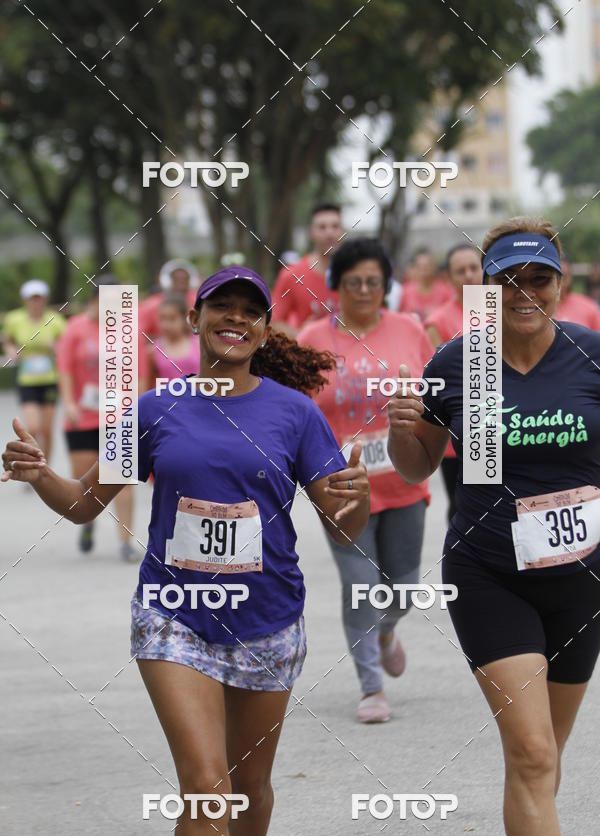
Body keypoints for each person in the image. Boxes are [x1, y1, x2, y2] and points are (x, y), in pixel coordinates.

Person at [2, 265, 369, 836]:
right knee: (206, 788)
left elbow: (343, 529)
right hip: (173, 616)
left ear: (264, 330)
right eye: (222, 306)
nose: (236, 318)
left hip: (268, 620)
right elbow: (83, 504)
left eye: (251, 311)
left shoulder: (296, 414)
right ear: (195, 318)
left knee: (249, 791)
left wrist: (357, 499)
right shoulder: (153, 410)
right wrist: (40, 474)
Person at [387, 216, 600, 836]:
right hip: (490, 576)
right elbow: (417, 466)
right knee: (532, 752)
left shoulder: (590, 354)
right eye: (508, 280)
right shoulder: (460, 363)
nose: (524, 292)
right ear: (484, 288)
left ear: (561, 283)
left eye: (540, 278)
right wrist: (401, 431)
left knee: (543, 759)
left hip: (582, 580)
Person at [298, 239, 433, 723]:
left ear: (385, 285)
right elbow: (299, 411)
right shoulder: (312, 337)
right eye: (353, 281)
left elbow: (432, 397)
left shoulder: (409, 329)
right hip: (340, 485)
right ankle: (371, 685)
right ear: (336, 285)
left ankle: (386, 631)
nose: (363, 290)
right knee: (360, 585)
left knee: (404, 588)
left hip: (403, 479)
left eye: (373, 281)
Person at [56, 278, 137, 561]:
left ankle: (126, 542)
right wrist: (68, 402)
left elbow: (139, 371)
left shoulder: (127, 330)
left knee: (122, 480)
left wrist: (137, 407)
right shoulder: (74, 328)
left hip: (119, 415)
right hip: (83, 417)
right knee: (85, 481)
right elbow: (64, 369)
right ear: (94, 300)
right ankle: (88, 522)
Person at [425, 243, 482, 521]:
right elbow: (438, 381)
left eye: (474, 268)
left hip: (503, 423)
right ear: (448, 277)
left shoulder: (503, 310)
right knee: (463, 507)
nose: (469, 275)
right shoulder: (437, 322)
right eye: (460, 271)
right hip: (457, 432)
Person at [2, 280, 66, 462]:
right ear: (25, 300)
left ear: (45, 299)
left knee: (46, 429)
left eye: (39, 298)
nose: (35, 302)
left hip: (49, 379)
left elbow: (66, 344)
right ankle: (34, 462)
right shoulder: (14, 319)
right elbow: (8, 340)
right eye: (32, 298)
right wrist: (11, 351)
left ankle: (46, 466)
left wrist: (56, 347)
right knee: (33, 427)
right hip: (27, 379)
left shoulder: (55, 320)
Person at [270, 203, 341, 337]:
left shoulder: (354, 276)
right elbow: (272, 322)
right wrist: (303, 334)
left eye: (335, 226)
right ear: (311, 232)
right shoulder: (292, 275)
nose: (329, 233)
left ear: (342, 231)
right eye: (322, 227)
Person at [141, 292, 200, 391]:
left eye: (172, 319)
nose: (166, 325)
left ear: (185, 318)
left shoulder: (200, 345)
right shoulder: (152, 351)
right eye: (162, 318)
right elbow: (148, 388)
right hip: (165, 400)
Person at [139, 259, 201, 341]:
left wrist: (195, 333)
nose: (181, 283)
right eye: (177, 279)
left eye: (184, 279)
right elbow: (140, 332)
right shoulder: (152, 304)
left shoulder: (198, 301)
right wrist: (158, 343)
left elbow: (200, 329)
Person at [400, 247, 454, 322]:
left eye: (427, 266)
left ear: (434, 267)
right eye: (420, 266)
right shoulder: (406, 290)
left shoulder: (445, 291)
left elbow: (451, 316)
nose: (424, 270)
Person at [555, 256, 600, 330]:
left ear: (570, 277)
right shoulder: (540, 309)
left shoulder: (589, 307)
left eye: (565, 277)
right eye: (557, 278)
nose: (561, 284)